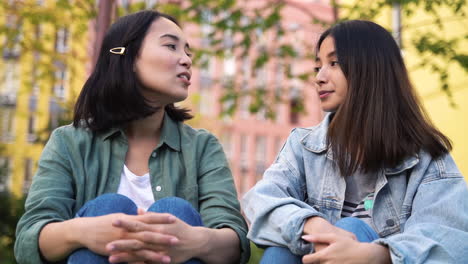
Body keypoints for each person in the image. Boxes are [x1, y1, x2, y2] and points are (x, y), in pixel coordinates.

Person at [15, 10, 249, 264]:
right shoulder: (68, 142)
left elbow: (234, 243)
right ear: (125, 55)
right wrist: (83, 232)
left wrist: (193, 241)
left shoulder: (203, 147)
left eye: (188, 52)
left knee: (175, 211)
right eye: (171, 46)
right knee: (108, 207)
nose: (186, 60)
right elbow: (29, 240)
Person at [243, 20, 468, 264]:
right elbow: (261, 200)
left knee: (353, 227)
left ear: (371, 68)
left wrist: (377, 255)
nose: (319, 77)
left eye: (333, 63)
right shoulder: (303, 146)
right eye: (318, 66)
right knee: (285, 247)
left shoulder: (426, 157)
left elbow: (450, 242)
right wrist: (314, 226)